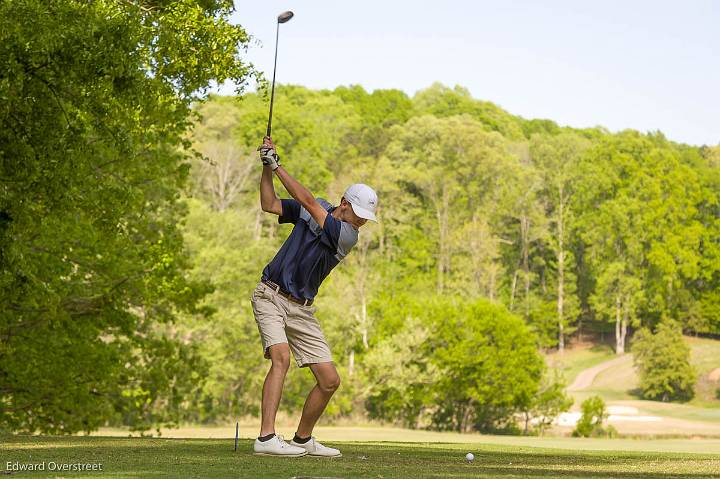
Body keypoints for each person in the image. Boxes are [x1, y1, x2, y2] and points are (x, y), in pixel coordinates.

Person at [251, 136, 377, 457]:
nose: (362, 220)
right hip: (271, 295)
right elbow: (271, 204)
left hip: (302, 310)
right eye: (358, 212)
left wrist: (278, 165)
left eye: (366, 216)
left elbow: (307, 202)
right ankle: (266, 439)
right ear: (344, 203)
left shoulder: (347, 235)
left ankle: (303, 439)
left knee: (330, 380)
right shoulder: (318, 208)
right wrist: (267, 168)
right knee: (280, 359)